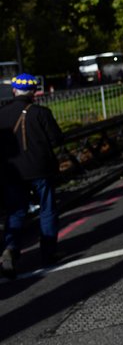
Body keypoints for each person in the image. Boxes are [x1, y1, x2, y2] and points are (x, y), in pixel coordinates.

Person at [0, 73, 65, 276]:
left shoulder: (1, 115)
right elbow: (56, 140)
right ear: (34, 92)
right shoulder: (41, 113)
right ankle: (48, 252)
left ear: (14, 91)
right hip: (40, 169)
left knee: (16, 212)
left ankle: (11, 250)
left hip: (13, 173)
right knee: (47, 209)